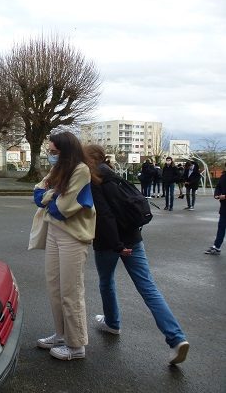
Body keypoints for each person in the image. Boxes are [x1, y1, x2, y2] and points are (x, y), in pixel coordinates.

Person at [84, 144, 190, 365]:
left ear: (88, 160)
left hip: (109, 243)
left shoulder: (94, 181)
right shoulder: (115, 176)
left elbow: (104, 216)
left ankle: (112, 323)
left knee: (106, 281)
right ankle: (176, 338)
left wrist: (116, 245)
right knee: (148, 287)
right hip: (134, 238)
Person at [34, 131, 96, 361]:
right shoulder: (58, 169)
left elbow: (62, 208)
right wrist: (52, 194)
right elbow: (38, 195)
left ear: (65, 151)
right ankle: (61, 335)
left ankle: (76, 345)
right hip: (55, 231)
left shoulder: (80, 170)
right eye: (50, 152)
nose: (51, 155)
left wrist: (50, 196)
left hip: (73, 234)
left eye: (54, 152)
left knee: (71, 290)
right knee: (55, 286)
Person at [204, 162, 226, 255]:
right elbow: (218, 187)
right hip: (224, 208)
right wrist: (217, 195)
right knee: (221, 227)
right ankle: (216, 247)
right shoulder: (223, 177)